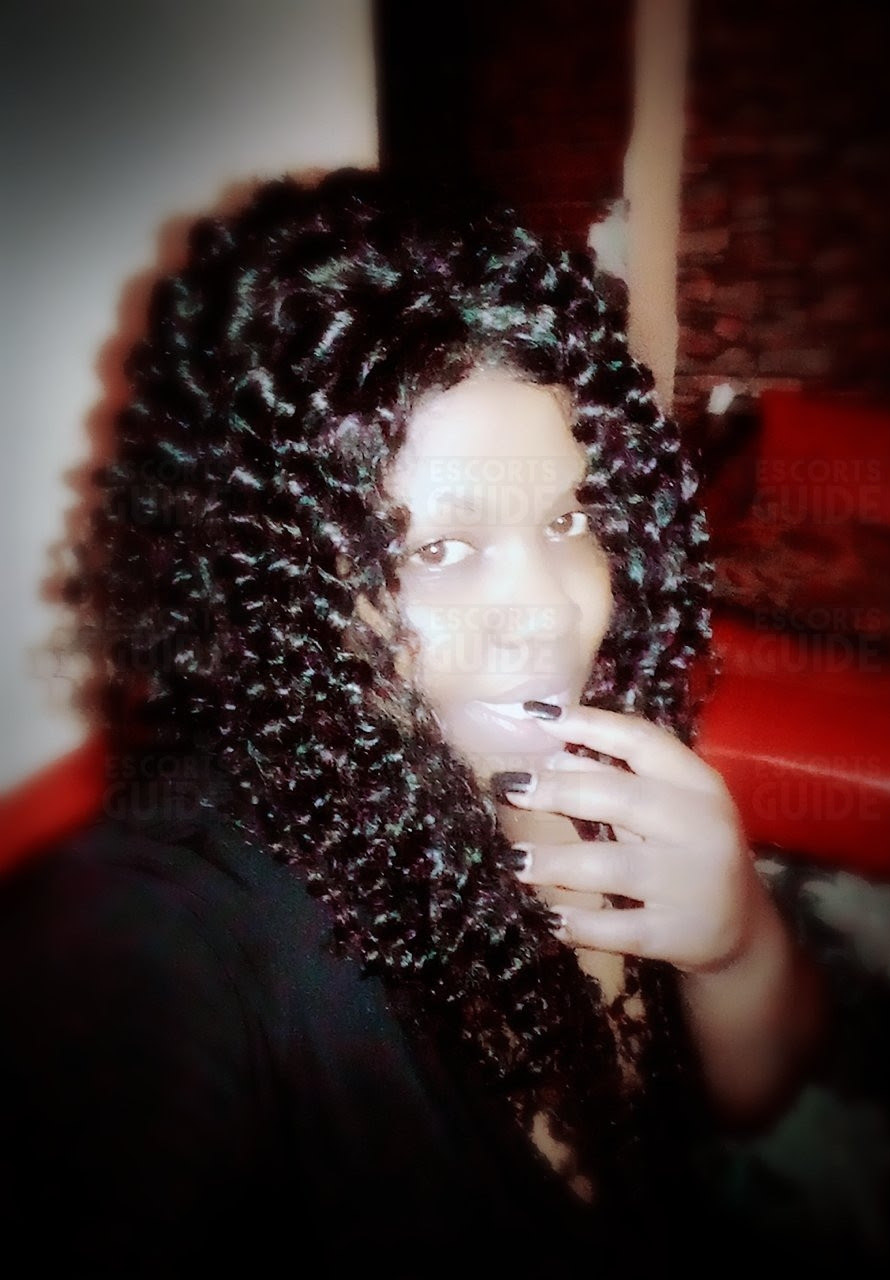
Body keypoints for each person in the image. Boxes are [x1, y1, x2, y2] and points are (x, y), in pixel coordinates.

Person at [0, 169, 821, 1274]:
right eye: (439, 547)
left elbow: (757, 1100)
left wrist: (737, 945)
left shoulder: (598, 757)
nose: (554, 612)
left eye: (567, 517)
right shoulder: (161, 933)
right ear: (280, 579)